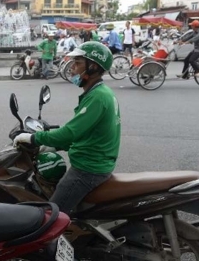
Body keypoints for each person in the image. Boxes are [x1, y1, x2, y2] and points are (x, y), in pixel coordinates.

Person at [13, 42, 120, 214]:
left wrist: (33, 138)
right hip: (96, 162)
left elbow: (70, 132)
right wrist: (55, 145)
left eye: (77, 63)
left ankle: (54, 238)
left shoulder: (98, 97)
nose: (72, 69)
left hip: (88, 170)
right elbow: (84, 132)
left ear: (92, 67)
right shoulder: (99, 92)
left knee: (51, 216)